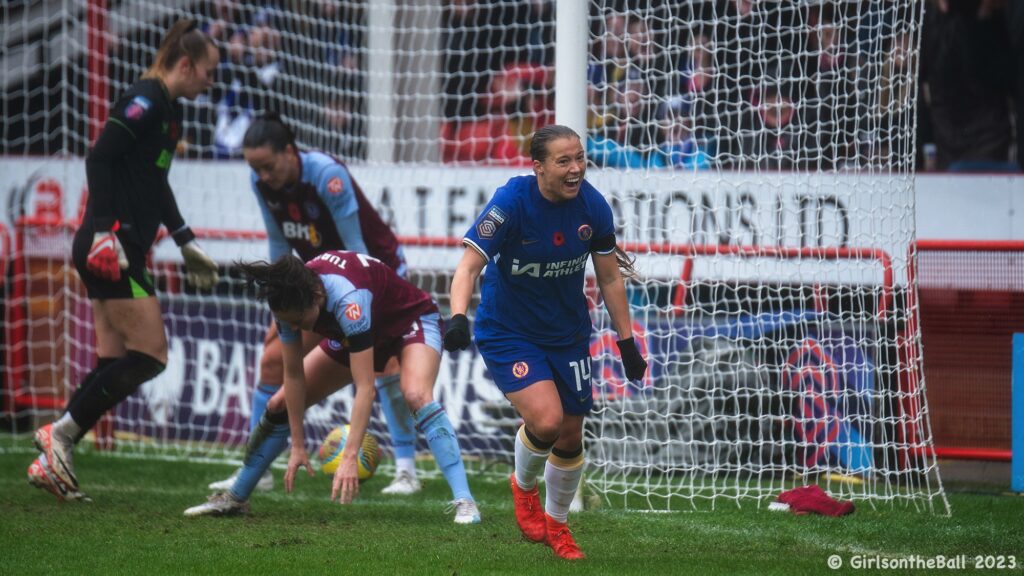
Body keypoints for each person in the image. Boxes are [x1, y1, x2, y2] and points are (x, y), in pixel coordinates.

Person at [28, 19, 221, 501]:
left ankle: (55, 455)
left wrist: (184, 238)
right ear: (186, 64)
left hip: (120, 246)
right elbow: (99, 158)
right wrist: (105, 231)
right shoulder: (145, 101)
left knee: (115, 359)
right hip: (111, 248)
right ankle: (62, 435)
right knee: (152, 355)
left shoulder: (169, 113)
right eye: (209, 72)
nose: (211, 82)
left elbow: (156, 182)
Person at [444, 125, 647, 560]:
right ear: (538, 167)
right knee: (548, 421)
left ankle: (558, 527)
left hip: (567, 333)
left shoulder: (592, 205)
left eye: (580, 159)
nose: (576, 169)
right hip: (508, 331)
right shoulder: (512, 202)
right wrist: (458, 318)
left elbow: (610, 276)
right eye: (564, 161)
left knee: (571, 434)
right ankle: (522, 487)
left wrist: (627, 342)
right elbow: (467, 268)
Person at [205, 114, 422, 496]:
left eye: (268, 166)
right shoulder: (263, 184)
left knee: (384, 363)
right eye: (255, 168)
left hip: (372, 275)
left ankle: (406, 470)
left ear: (290, 152)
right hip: (311, 289)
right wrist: (280, 301)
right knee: (274, 360)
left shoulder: (326, 176)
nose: (262, 175)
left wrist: (353, 306)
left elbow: (357, 252)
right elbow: (278, 247)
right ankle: (260, 468)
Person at [183, 252, 481, 524]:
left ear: (316, 295)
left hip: (410, 321)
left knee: (416, 394)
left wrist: (350, 456)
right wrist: (297, 445)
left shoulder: (348, 300)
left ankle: (465, 501)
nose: (297, 327)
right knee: (278, 405)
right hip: (355, 332)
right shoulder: (287, 300)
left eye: (300, 321)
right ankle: (236, 497)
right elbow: (294, 375)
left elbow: (366, 387)